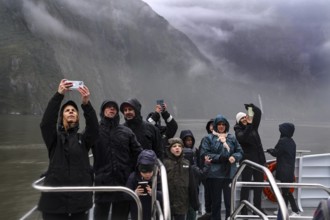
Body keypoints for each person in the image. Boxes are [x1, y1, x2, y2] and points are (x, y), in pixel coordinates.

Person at [38, 79, 99, 220]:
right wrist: (59, 95)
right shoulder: (54, 139)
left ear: (78, 117)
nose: (71, 111)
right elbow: (46, 123)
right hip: (53, 205)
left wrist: (86, 103)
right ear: (62, 117)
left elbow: (94, 129)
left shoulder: (83, 140)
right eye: (67, 111)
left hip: (79, 204)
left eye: (73, 110)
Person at [92, 100, 142, 220]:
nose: (111, 109)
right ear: (103, 111)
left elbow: (138, 152)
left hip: (123, 182)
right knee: (100, 216)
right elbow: (81, 149)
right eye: (108, 107)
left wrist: (150, 164)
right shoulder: (94, 130)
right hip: (102, 182)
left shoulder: (126, 131)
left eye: (114, 107)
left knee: (120, 216)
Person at [200, 114, 243, 220]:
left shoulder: (231, 137)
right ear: (215, 125)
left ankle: (229, 218)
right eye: (219, 124)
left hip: (229, 174)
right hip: (215, 174)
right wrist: (220, 158)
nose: (221, 126)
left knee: (229, 202)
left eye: (223, 124)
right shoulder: (208, 138)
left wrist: (235, 156)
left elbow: (240, 151)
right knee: (216, 203)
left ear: (226, 126)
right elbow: (204, 153)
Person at [234, 103, 266, 215]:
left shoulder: (253, 127)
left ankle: (257, 208)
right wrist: (248, 125)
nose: (244, 119)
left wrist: (251, 108)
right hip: (247, 163)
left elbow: (259, 114)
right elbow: (243, 138)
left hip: (259, 161)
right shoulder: (238, 131)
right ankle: (244, 208)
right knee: (246, 186)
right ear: (238, 121)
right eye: (241, 118)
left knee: (259, 185)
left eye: (245, 117)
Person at [266, 123, 300, 216]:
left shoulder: (283, 141)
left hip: (284, 170)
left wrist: (270, 150)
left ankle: (295, 211)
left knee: (286, 192)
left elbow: (277, 152)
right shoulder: (292, 141)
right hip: (289, 169)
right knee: (286, 192)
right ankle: (283, 210)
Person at [163, 137, 199, 220]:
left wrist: (195, 202)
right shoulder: (165, 163)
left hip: (182, 201)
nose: (177, 148)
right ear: (169, 149)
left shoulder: (186, 163)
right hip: (167, 200)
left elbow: (192, 184)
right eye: (174, 146)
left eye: (179, 146)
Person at [126, 149, 162, 220]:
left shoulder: (158, 178)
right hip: (137, 213)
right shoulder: (133, 177)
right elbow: (125, 195)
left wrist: (154, 193)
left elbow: (164, 195)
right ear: (139, 169)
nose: (147, 174)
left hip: (153, 213)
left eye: (150, 171)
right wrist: (134, 193)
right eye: (144, 172)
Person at [198, 118, 214, 220]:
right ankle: (208, 214)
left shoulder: (225, 139)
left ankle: (211, 214)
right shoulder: (205, 139)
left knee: (214, 197)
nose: (212, 127)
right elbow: (201, 156)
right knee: (208, 196)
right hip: (207, 173)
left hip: (218, 174)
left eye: (214, 125)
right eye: (210, 125)